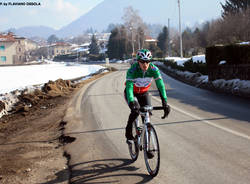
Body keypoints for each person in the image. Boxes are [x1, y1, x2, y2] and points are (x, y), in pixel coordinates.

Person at [124, 49, 170, 142]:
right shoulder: (132, 70)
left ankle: (147, 144)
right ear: (138, 61)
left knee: (147, 115)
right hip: (132, 93)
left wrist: (164, 102)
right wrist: (131, 101)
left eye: (147, 61)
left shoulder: (154, 70)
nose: (145, 64)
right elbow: (129, 87)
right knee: (135, 111)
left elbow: (160, 86)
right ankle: (128, 131)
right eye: (142, 62)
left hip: (144, 93)